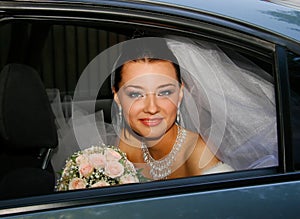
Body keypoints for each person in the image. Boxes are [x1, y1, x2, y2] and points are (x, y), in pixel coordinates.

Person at [50, 36, 277, 182]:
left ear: (180, 94)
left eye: (165, 92)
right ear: (117, 97)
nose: (151, 108)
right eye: (136, 94)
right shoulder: (122, 148)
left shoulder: (199, 154)